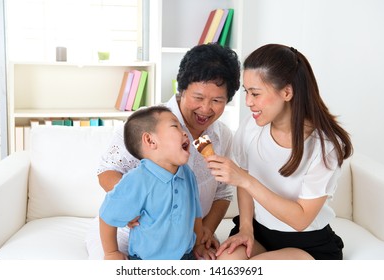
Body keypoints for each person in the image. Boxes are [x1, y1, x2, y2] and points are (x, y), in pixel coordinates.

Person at [85, 43, 241, 259]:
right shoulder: (148, 123)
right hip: (130, 236)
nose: (206, 109)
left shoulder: (222, 135)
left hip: (185, 243)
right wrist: (131, 204)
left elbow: (222, 193)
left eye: (217, 101)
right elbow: (107, 171)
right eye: (198, 98)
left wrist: (204, 233)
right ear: (182, 89)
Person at [207, 43, 353, 260]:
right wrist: (246, 228)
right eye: (247, 92)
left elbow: (301, 219)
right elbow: (245, 183)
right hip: (258, 232)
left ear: (287, 92)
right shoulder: (251, 126)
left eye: (255, 93)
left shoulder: (324, 146)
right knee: (225, 265)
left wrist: (244, 179)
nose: (248, 102)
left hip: (307, 244)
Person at [99, 106, 212, 260]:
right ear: (150, 140)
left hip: (186, 257)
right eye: (175, 126)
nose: (185, 132)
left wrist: (199, 245)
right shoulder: (136, 180)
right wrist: (111, 253)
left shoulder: (188, 174)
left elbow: (195, 216)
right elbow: (107, 216)